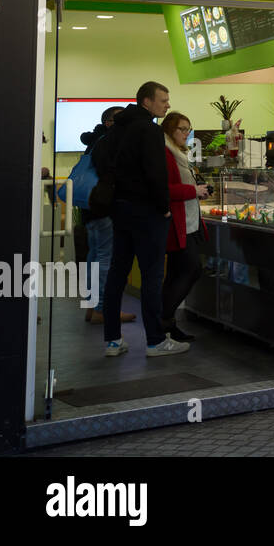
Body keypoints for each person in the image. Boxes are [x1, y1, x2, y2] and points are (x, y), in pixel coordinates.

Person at [96, 81, 190, 357]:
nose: (167, 105)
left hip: (120, 208)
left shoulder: (117, 128)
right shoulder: (148, 130)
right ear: (147, 102)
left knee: (117, 273)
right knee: (152, 276)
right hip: (147, 212)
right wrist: (163, 207)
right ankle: (155, 340)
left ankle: (112, 340)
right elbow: (155, 174)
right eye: (163, 100)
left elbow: (101, 160)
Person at [81, 106, 133, 325]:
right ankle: (102, 309)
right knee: (105, 259)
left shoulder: (95, 140)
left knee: (95, 256)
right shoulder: (109, 141)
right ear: (111, 122)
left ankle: (92, 307)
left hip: (90, 208)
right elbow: (111, 174)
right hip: (104, 207)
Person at [160, 112, 208, 343]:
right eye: (182, 129)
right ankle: (162, 320)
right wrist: (194, 191)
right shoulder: (166, 154)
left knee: (177, 274)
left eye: (188, 129)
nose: (186, 133)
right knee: (191, 270)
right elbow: (164, 189)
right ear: (170, 130)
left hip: (187, 223)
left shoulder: (178, 154)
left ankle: (167, 325)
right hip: (176, 225)